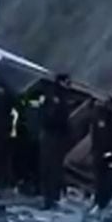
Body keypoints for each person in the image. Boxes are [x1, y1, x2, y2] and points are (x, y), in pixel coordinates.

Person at [39, 73, 72, 209]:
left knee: (51, 166)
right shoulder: (57, 97)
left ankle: (51, 196)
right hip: (54, 135)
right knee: (52, 167)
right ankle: (50, 197)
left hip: (51, 135)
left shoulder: (53, 94)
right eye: (67, 82)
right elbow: (56, 117)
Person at [89, 97, 112, 208]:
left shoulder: (102, 116)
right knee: (104, 178)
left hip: (101, 152)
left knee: (101, 178)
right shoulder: (105, 118)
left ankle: (100, 201)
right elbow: (105, 137)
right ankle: (101, 202)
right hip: (104, 153)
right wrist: (109, 153)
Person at [12, 94, 41, 196]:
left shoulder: (24, 108)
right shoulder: (42, 109)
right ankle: (35, 186)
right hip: (37, 141)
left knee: (24, 163)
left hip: (25, 139)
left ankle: (24, 183)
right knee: (35, 165)